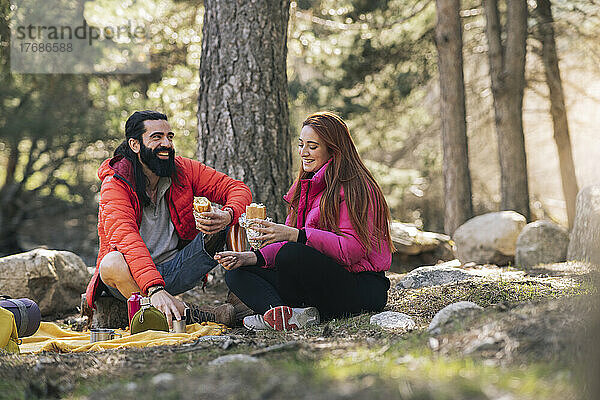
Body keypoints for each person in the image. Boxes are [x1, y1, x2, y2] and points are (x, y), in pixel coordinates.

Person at [215, 111, 394, 331]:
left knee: (291, 253)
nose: (304, 152)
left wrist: (296, 235)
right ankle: (281, 315)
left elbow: (352, 250)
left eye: (312, 146)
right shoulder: (305, 186)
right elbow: (289, 246)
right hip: (318, 287)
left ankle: (290, 314)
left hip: (360, 287)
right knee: (237, 272)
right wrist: (251, 257)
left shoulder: (357, 187)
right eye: (301, 145)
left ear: (333, 148)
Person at [85, 110, 252, 327]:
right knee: (111, 263)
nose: (166, 144)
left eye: (169, 137)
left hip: (176, 268)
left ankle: (242, 299)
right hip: (130, 279)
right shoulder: (116, 183)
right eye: (157, 137)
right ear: (135, 145)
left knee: (233, 222)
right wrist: (154, 288)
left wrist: (227, 214)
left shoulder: (182, 170)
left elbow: (238, 188)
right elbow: (127, 239)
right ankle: (193, 314)